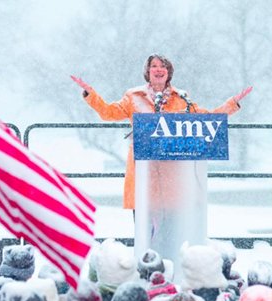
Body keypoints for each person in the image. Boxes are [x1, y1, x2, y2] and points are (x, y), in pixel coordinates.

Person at [71, 54, 252, 210]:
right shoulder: (133, 97)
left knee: (171, 226)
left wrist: (232, 103)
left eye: (163, 66)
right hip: (143, 170)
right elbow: (108, 112)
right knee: (144, 226)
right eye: (154, 66)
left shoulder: (181, 98)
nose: (158, 69)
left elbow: (206, 119)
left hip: (172, 174)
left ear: (169, 72)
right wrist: (90, 94)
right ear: (147, 72)